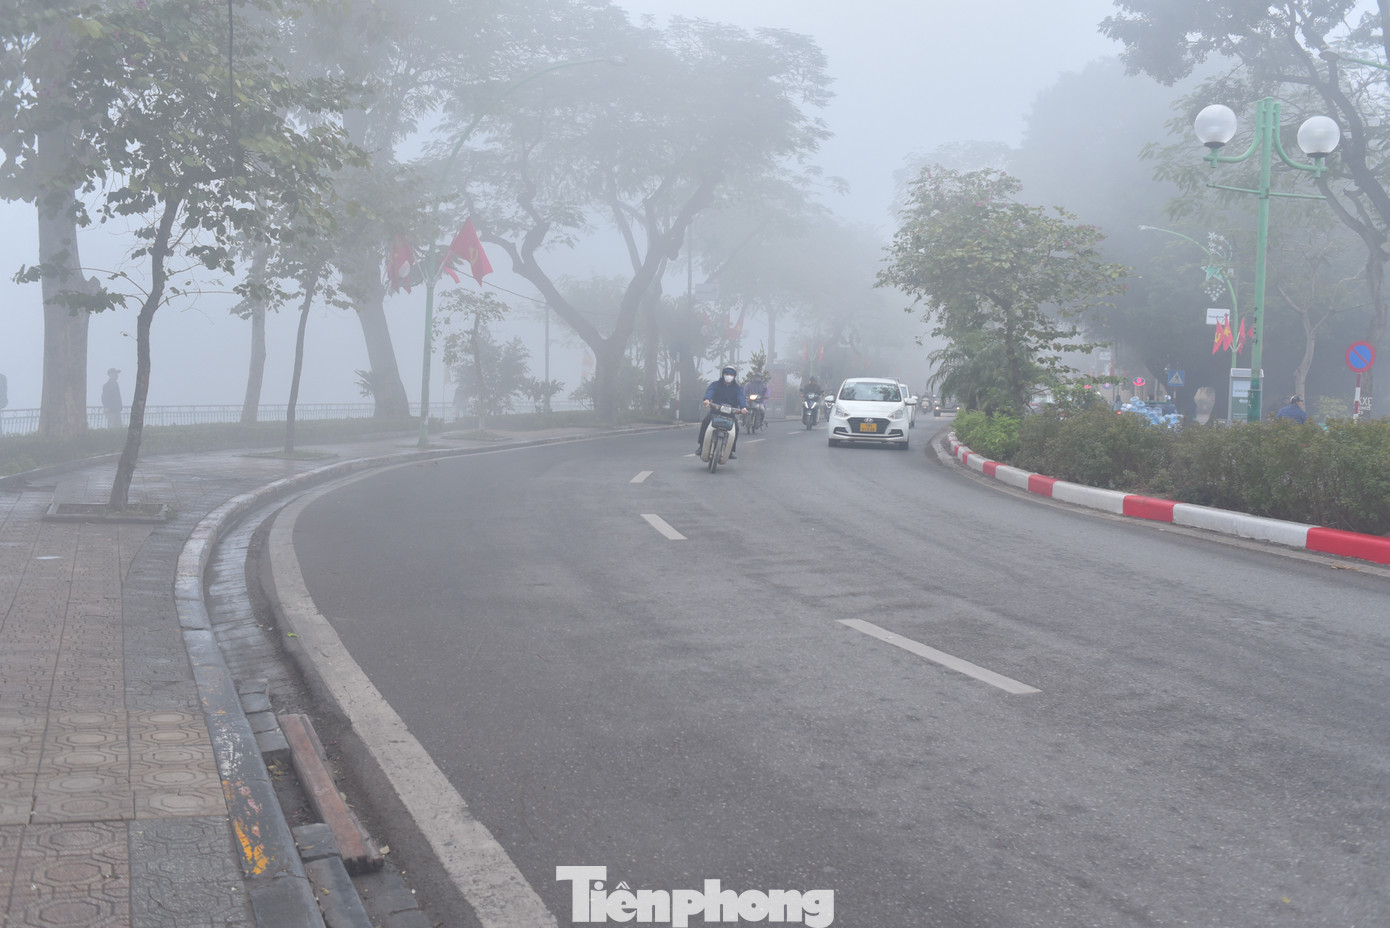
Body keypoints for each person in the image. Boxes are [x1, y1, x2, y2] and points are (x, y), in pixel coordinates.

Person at [698, 366, 748, 458]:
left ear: (734, 376)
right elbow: (710, 391)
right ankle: (701, 446)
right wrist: (707, 400)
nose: (729, 376)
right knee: (705, 422)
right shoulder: (716, 384)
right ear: (723, 375)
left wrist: (743, 407)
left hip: (730, 414)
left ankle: (730, 451)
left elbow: (741, 397)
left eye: (731, 375)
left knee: (736, 429)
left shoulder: (737, 388)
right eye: (727, 374)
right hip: (715, 412)